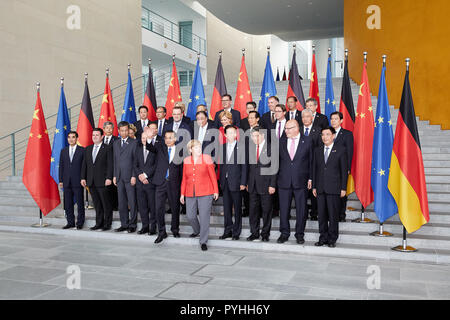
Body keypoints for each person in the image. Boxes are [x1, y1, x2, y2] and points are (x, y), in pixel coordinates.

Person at [277, 120, 313, 244]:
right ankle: (284, 233)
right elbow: (277, 162)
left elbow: (311, 162)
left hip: (301, 181)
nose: (285, 131)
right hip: (283, 181)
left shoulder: (308, 141)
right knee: (284, 209)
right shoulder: (281, 142)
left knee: (301, 210)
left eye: (288, 128)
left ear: (297, 128)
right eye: (285, 128)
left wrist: (310, 178)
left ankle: (299, 234)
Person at [312, 127, 348, 248]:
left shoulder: (341, 150)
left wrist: (343, 188)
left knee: (333, 215)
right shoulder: (317, 150)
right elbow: (315, 170)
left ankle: (332, 239)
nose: (325, 137)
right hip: (320, 188)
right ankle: (323, 237)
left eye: (327, 134)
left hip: (334, 188)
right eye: (323, 134)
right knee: (321, 215)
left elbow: (344, 171)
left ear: (333, 136)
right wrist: (315, 187)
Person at [180, 140, 219, 251]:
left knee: (204, 217)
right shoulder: (186, 160)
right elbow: (184, 178)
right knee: (190, 215)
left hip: (206, 192)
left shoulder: (206, 158)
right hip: (190, 192)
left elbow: (212, 176)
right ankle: (197, 230)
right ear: (190, 149)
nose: (199, 149)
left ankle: (203, 241)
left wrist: (215, 191)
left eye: (199, 147)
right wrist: (182, 194)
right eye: (196, 147)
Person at [147, 130, 183, 243]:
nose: (168, 140)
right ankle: (161, 232)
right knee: (158, 208)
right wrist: (148, 138)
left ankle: (175, 229)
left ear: (175, 139)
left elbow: (182, 170)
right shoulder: (159, 147)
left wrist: (182, 186)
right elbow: (150, 147)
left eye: (170, 137)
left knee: (175, 208)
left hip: (174, 184)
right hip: (160, 183)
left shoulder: (181, 151)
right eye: (166, 137)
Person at [246, 126, 277, 242]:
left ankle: (265, 234)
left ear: (263, 135)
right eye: (253, 136)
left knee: (266, 211)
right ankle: (254, 233)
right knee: (253, 211)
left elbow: (274, 168)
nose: (255, 138)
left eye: (257, 136)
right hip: (252, 185)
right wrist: (247, 182)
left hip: (266, 185)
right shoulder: (250, 148)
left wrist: (272, 185)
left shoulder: (271, 148)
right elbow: (248, 167)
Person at [81, 128, 113, 231]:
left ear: (102, 136)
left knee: (105, 204)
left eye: (97, 135)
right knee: (97, 204)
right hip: (91, 181)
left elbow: (110, 164)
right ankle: (98, 223)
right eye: (93, 135)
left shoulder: (107, 148)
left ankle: (107, 224)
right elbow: (84, 165)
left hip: (103, 180)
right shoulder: (88, 148)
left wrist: (109, 177)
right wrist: (83, 177)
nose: (94, 137)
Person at [218, 125, 247, 240]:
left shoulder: (242, 147)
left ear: (236, 134)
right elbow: (221, 166)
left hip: (237, 182)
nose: (230, 135)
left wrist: (243, 182)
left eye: (233, 133)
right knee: (227, 209)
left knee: (238, 208)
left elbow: (244, 167)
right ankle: (227, 230)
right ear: (225, 135)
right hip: (225, 183)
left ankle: (236, 232)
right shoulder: (222, 147)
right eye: (228, 133)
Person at [113, 121, 138, 233]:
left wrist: (134, 175)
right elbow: (115, 161)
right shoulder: (116, 143)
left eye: (126, 130)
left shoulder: (134, 142)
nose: (124, 132)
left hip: (130, 177)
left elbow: (135, 161)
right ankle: (124, 224)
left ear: (128, 130)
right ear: (118, 131)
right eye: (121, 130)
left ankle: (132, 224)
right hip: (119, 177)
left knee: (132, 202)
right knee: (121, 202)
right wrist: (114, 175)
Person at [330, 111, 354, 222]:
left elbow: (349, 152)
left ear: (341, 121)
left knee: (341, 192)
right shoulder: (327, 133)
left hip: (341, 168)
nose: (333, 121)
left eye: (335, 119)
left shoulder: (347, 134)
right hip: (329, 168)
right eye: (332, 119)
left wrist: (348, 168)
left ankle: (341, 214)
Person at [58, 131, 85, 229]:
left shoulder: (82, 150)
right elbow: (61, 166)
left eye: (73, 137)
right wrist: (61, 180)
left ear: (77, 138)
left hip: (78, 181)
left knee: (80, 203)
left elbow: (84, 166)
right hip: (66, 181)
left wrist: (83, 178)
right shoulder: (63, 150)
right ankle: (70, 222)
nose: (71, 139)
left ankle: (80, 222)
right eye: (69, 137)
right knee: (68, 203)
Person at [300, 108, 321, 221]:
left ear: (312, 118)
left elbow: (319, 149)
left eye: (308, 116)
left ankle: (314, 213)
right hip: (300, 166)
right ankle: (303, 212)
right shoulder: (298, 130)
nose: (305, 119)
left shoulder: (318, 130)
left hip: (314, 164)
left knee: (313, 190)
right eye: (303, 117)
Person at [134, 131, 157, 235]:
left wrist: (146, 175)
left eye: (146, 138)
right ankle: (145, 226)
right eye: (143, 138)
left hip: (150, 182)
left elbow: (155, 165)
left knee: (152, 206)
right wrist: (140, 176)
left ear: (150, 138)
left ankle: (153, 227)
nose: (144, 140)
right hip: (140, 183)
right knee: (142, 206)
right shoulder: (138, 150)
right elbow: (135, 165)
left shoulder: (155, 149)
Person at [102, 121, 118, 211]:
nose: (108, 130)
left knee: (113, 189)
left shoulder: (117, 140)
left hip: (114, 167)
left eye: (110, 128)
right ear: (103, 129)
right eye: (106, 128)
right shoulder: (100, 140)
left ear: (113, 129)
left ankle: (114, 206)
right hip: (102, 169)